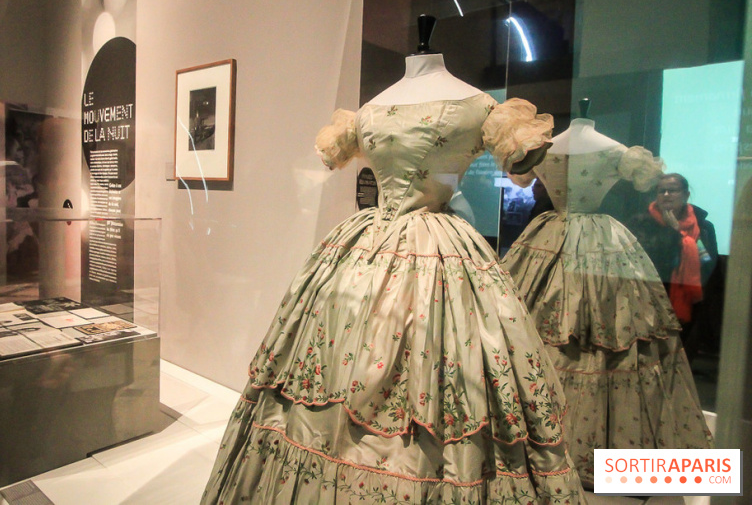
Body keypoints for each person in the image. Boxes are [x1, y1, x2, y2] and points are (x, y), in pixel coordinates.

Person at [201, 51, 587, 504]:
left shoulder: (482, 108)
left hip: (420, 255)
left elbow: (518, 158)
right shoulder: (366, 113)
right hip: (375, 255)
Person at [501, 120, 713, 486]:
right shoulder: (605, 150)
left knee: (600, 334)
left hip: (559, 239)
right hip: (579, 240)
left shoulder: (614, 152)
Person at [628, 173, 719, 361]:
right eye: (662, 191)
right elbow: (642, 262)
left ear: (685, 195)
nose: (667, 195)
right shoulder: (640, 223)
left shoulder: (703, 226)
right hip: (650, 301)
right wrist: (673, 232)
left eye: (673, 190)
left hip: (689, 304)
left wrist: (680, 233)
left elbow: (710, 265)